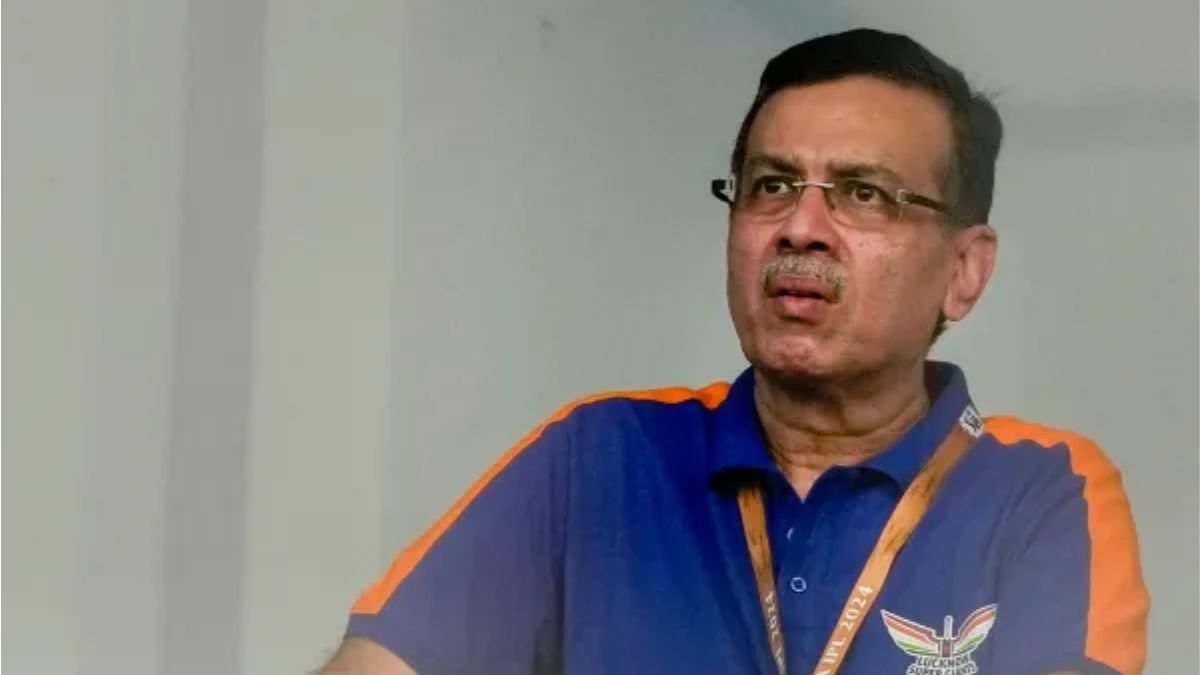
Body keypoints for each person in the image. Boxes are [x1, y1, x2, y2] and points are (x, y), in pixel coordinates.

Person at [319, 28, 1148, 675]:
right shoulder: (601, 458)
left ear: (963, 272)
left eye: (863, 193)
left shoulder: (1041, 488)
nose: (800, 227)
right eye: (771, 185)